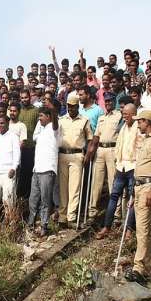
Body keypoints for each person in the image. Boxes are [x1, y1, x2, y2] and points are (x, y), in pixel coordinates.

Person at [125, 110, 151, 284]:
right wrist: (134, 193)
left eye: (140, 121)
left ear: (147, 122)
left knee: (142, 229)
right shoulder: (144, 140)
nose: (138, 124)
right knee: (144, 230)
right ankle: (145, 267)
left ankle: (138, 267)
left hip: (148, 185)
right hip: (139, 186)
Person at [95, 103, 138, 239]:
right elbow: (119, 145)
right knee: (113, 196)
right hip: (121, 166)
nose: (124, 116)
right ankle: (107, 226)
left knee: (133, 199)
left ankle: (129, 229)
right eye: (123, 114)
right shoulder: (124, 127)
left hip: (133, 167)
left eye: (126, 114)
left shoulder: (139, 129)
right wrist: (117, 162)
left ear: (133, 114)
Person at [57, 94, 93, 229]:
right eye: (68, 106)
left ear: (78, 106)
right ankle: (62, 216)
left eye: (73, 106)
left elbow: (90, 139)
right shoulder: (61, 120)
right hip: (62, 154)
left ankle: (71, 216)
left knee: (74, 187)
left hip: (77, 155)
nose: (70, 109)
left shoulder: (84, 120)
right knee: (62, 187)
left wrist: (88, 154)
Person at [88, 92, 122, 218]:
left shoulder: (119, 116)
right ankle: (92, 209)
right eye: (106, 101)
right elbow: (96, 136)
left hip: (113, 149)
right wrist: (91, 150)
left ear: (114, 101)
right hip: (100, 150)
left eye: (110, 101)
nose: (108, 103)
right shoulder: (102, 117)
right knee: (96, 181)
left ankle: (116, 213)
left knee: (113, 182)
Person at [28, 106, 59, 236]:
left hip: (48, 169)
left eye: (41, 116)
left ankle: (44, 226)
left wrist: (52, 109)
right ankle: (31, 224)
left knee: (45, 200)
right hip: (37, 169)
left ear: (48, 116)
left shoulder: (54, 127)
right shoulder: (40, 128)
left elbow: (55, 122)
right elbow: (34, 138)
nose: (39, 118)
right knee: (33, 199)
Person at [0, 115, 20, 227]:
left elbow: (17, 154)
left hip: (8, 172)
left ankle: (10, 226)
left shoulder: (13, 137)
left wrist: (14, 168)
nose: (0, 125)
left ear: (7, 123)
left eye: (2, 123)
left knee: (8, 200)